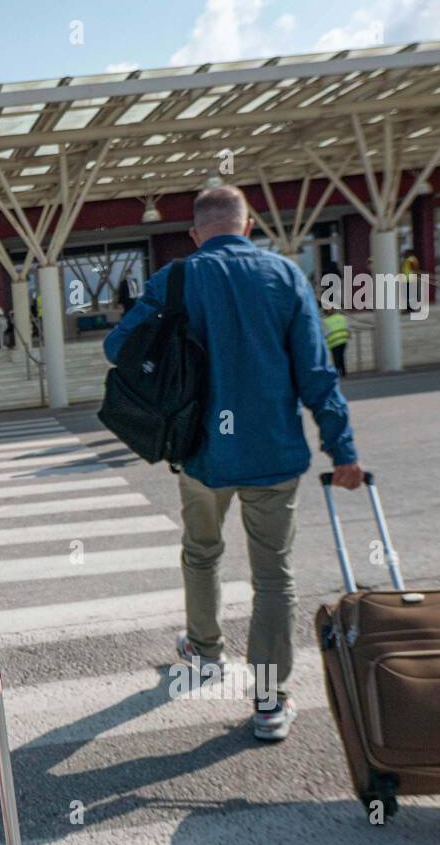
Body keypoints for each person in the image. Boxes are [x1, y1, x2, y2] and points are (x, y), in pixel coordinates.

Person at [104, 184, 362, 743]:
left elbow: (117, 347)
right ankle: (269, 701)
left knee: (201, 553)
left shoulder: (176, 277)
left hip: (201, 453)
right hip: (275, 455)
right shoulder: (286, 276)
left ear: (197, 234)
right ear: (249, 226)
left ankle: (205, 650)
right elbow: (319, 375)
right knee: (274, 577)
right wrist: (342, 452)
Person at [322, 305, 350, 377]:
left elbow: (325, 333)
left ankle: (338, 373)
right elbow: (347, 328)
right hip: (343, 340)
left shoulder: (326, 321)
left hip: (334, 342)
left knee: (336, 358)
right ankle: (343, 373)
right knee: (341, 357)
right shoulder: (341, 317)